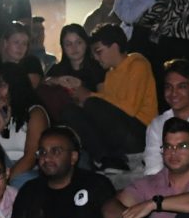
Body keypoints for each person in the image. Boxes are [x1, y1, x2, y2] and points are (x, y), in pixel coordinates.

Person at [57, 26, 157, 168]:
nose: (97, 58)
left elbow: (129, 108)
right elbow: (108, 107)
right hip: (119, 132)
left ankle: (113, 157)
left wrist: (90, 96)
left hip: (140, 132)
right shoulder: (110, 74)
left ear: (114, 47)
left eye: (99, 52)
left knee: (92, 103)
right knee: (70, 111)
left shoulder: (137, 64)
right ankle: (105, 158)